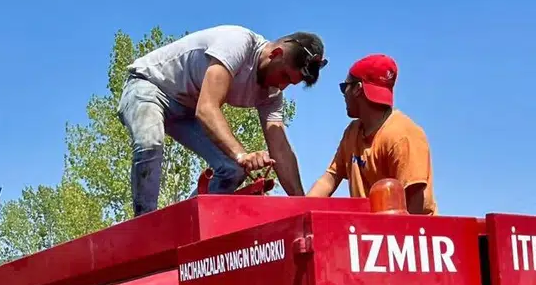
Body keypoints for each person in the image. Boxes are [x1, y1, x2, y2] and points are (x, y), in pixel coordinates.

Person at [119, 26, 327, 215]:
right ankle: (146, 222)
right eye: (284, 76)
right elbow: (207, 109)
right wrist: (241, 154)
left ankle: (183, 224)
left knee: (233, 169)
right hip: (149, 87)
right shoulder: (238, 44)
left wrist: (303, 206)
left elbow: (280, 149)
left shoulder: (271, 94)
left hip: (186, 111)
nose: (282, 86)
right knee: (150, 142)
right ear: (276, 53)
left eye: (291, 83)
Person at [307, 54, 436, 214]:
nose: (343, 94)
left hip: (405, 235)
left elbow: (414, 208)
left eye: (344, 87)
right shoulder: (352, 132)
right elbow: (329, 180)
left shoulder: (403, 135)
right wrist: (300, 214)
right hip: (368, 233)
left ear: (357, 89)